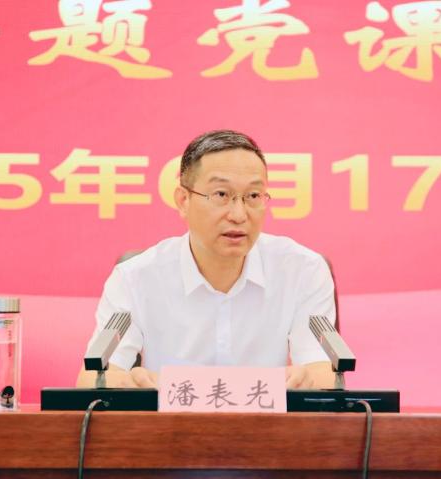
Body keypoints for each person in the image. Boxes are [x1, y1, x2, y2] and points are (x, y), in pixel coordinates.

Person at [76, 130, 336, 389]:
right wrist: (137, 386)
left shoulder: (303, 270)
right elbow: (93, 379)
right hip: (167, 417)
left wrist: (303, 381)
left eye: (254, 196)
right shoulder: (134, 278)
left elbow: (326, 375)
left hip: (268, 416)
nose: (238, 215)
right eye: (221, 194)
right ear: (183, 200)